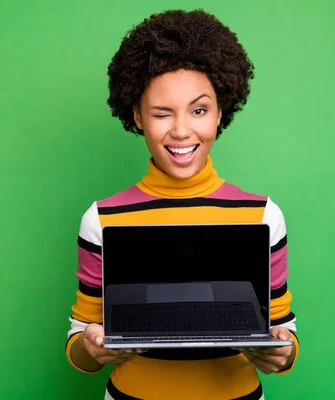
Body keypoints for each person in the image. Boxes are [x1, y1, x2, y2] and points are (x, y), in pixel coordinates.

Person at [65, 9, 299, 400]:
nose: (181, 130)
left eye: (199, 110)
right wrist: (91, 348)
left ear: (221, 111)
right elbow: (79, 341)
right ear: (138, 116)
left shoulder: (262, 215)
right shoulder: (101, 219)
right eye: (162, 113)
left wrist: (283, 352)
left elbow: (282, 329)